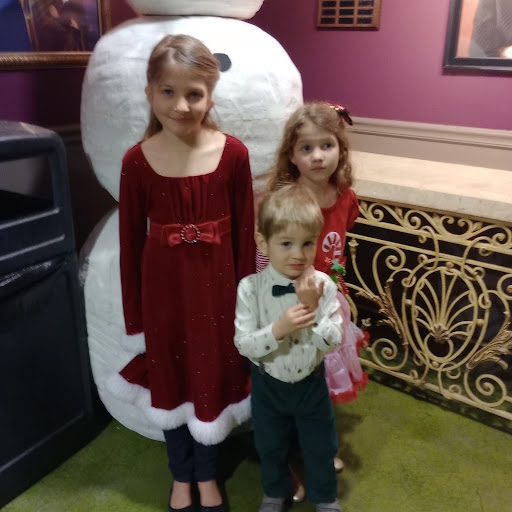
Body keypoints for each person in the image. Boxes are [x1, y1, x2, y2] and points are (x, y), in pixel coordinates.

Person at [112, 34, 255, 512]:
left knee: (213, 379)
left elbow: (246, 236)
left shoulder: (234, 155)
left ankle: (208, 474)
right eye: (168, 92)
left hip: (219, 298)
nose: (181, 105)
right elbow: (129, 247)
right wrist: (135, 320)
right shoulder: (136, 162)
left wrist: (248, 306)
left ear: (210, 95)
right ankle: (181, 475)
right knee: (170, 380)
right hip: (164, 301)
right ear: (150, 93)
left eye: (194, 93)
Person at [258, 101, 369, 502]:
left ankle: (317, 444)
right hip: (293, 304)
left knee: (322, 378)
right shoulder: (283, 200)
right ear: (291, 154)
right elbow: (266, 253)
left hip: (330, 301)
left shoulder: (345, 197)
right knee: (293, 377)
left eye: (327, 145)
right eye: (306, 148)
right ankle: (291, 446)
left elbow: (340, 238)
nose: (318, 156)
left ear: (341, 149)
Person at [234, 184, 343, 512]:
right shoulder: (250, 289)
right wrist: (277, 329)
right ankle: (275, 492)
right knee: (270, 445)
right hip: (268, 384)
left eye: (307, 243)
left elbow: (334, 340)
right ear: (263, 242)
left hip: (311, 384)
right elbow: (244, 344)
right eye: (286, 243)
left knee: (321, 444)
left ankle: (326, 497)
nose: (298, 254)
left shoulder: (324, 286)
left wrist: (313, 311)